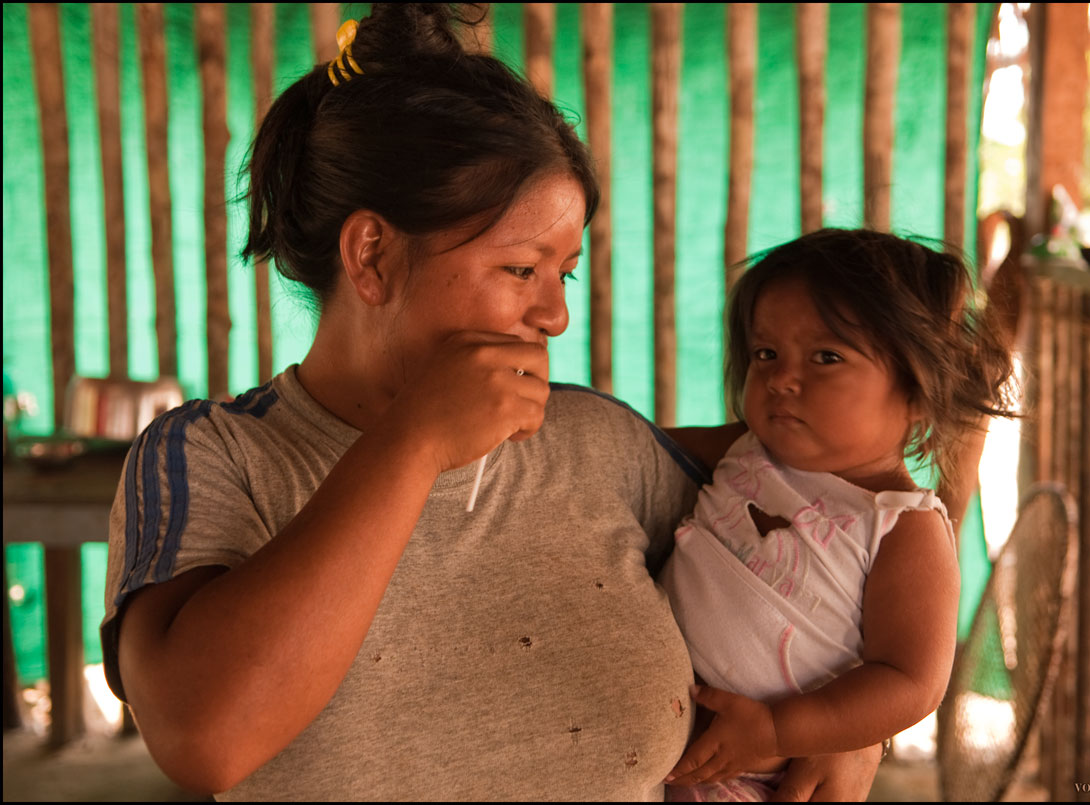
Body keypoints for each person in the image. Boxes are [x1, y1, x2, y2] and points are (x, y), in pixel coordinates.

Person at [98, 4, 881, 800]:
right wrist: (412, 446)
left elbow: (866, 488)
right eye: (521, 270)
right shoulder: (212, 458)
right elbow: (204, 738)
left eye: (563, 273)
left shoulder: (595, 447)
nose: (555, 315)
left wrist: (851, 721)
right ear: (372, 255)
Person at [659, 229, 1016, 800]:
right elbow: (634, 443)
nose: (780, 378)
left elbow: (911, 682)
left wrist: (778, 730)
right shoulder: (743, 447)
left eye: (826, 357)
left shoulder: (903, 526)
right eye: (765, 353)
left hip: (757, 776)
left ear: (920, 391)